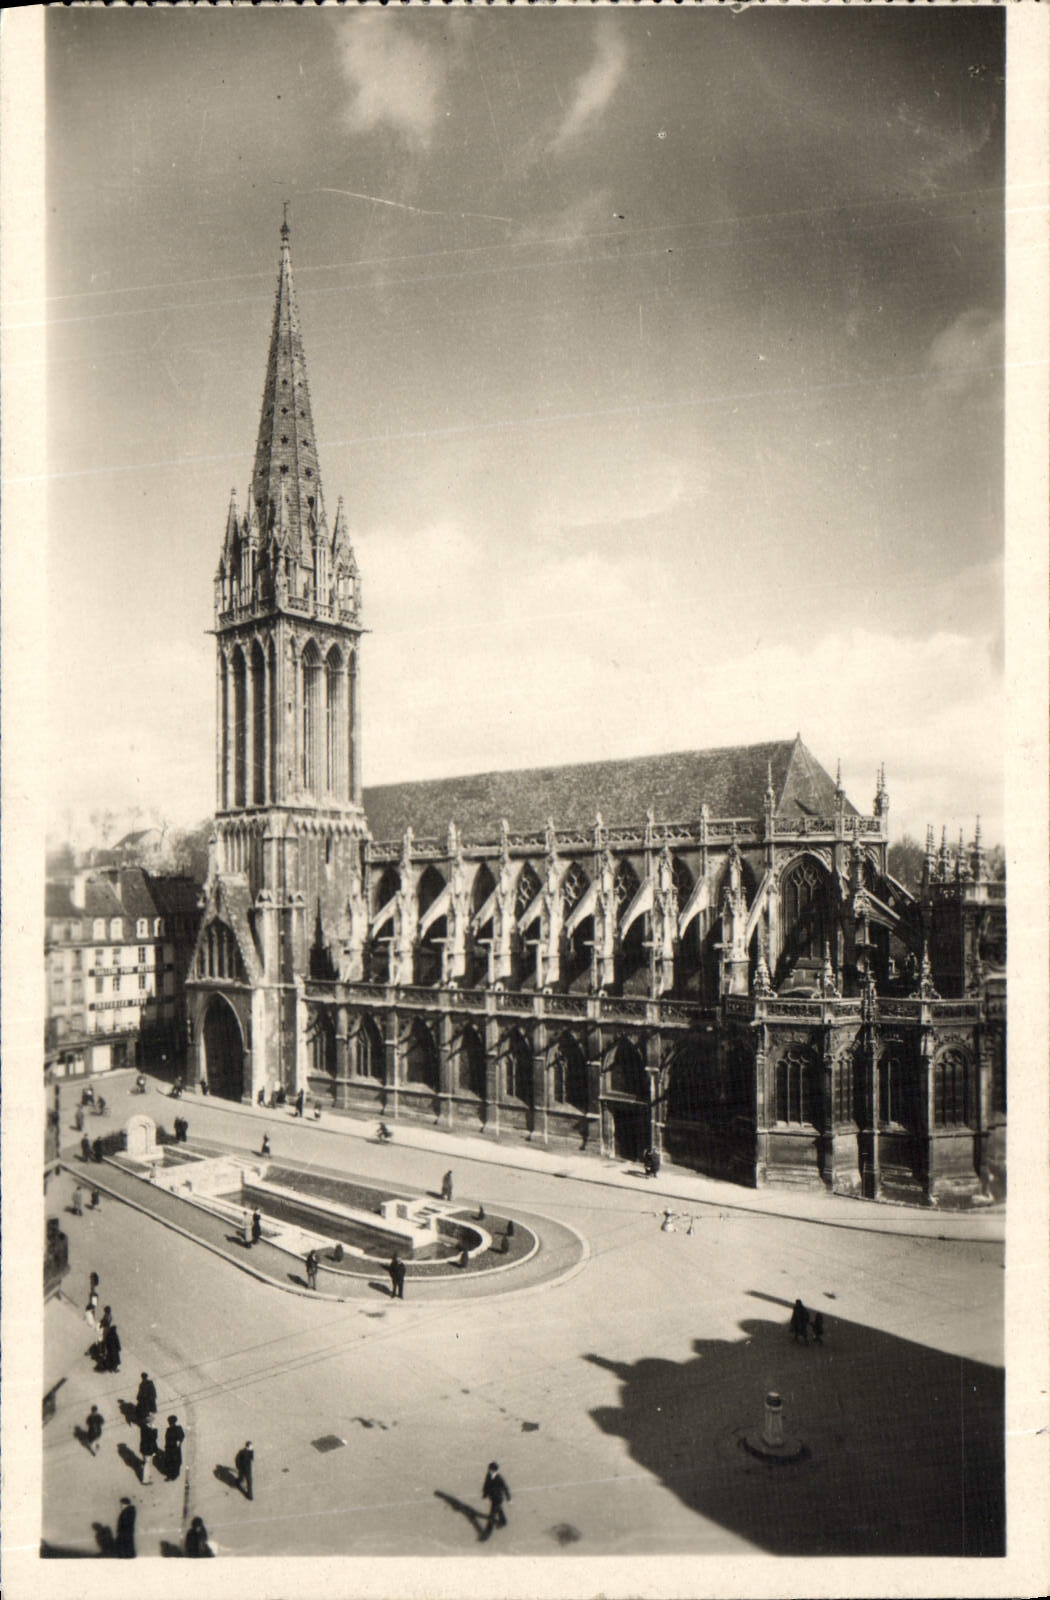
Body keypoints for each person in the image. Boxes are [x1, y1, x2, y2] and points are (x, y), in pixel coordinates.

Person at [481, 1461, 511, 1538]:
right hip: (492, 1497)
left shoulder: (499, 1478)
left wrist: (509, 1498)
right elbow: (486, 1484)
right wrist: (485, 1493)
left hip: (498, 1498)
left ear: (494, 1470)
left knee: (492, 1514)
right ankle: (503, 1521)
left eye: (490, 1469)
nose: (488, 1470)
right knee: (499, 1510)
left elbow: (505, 1488)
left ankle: (487, 1532)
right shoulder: (488, 1475)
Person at [163, 1415, 185, 1481]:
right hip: (169, 1448)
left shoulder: (178, 1428)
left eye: (170, 1422)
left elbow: (182, 1436)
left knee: (175, 1461)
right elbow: (167, 1439)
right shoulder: (169, 1429)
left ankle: (174, 1475)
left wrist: (179, 1441)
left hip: (175, 1448)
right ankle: (170, 1475)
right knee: (170, 1462)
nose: (169, 1423)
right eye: (169, 1422)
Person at [138, 1417, 158, 1484]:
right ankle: (145, 1480)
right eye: (152, 1421)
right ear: (150, 1422)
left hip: (144, 1448)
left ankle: (147, 1476)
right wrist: (155, 1429)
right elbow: (154, 1437)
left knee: (147, 1462)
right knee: (147, 1463)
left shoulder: (143, 1427)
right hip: (148, 1449)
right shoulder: (148, 1429)